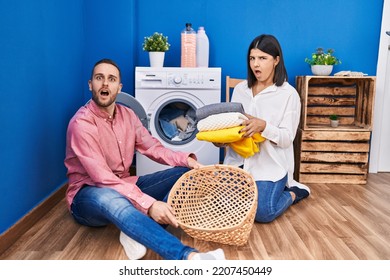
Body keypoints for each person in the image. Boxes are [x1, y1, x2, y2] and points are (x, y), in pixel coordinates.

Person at [64, 58, 225, 260]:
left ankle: (134, 232)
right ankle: (190, 258)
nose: (105, 83)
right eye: (99, 78)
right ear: (91, 84)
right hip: (88, 193)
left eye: (111, 79)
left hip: (125, 183)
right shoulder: (82, 124)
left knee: (186, 174)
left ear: (119, 87)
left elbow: (153, 148)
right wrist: (149, 205)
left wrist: (187, 160)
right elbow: (103, 179)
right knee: (114, 200)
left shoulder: (128, 116)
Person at [221, 34, 310, 223]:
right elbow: (233, 127)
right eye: (252, 58)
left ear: (276, 60)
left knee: (263, 212)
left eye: (263, 58)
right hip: (238, 162)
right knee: (223, 207)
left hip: (270, 166)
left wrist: (264, 126)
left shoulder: (288, 94)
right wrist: (222, 139)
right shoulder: (240, 90)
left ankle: (294, 192)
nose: (256, 64)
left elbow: (287, 138)